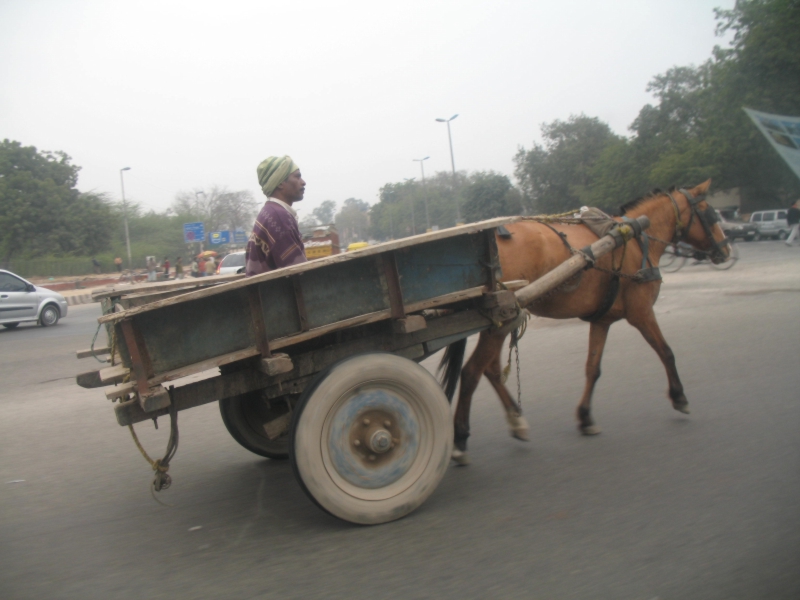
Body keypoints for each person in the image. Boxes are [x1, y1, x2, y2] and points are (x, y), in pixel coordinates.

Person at [245, 155, 308, 276]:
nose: (303, 182)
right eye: (297, 176)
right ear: (280, 183)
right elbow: (299, 273)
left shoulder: (269, 212)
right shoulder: (279, 218)